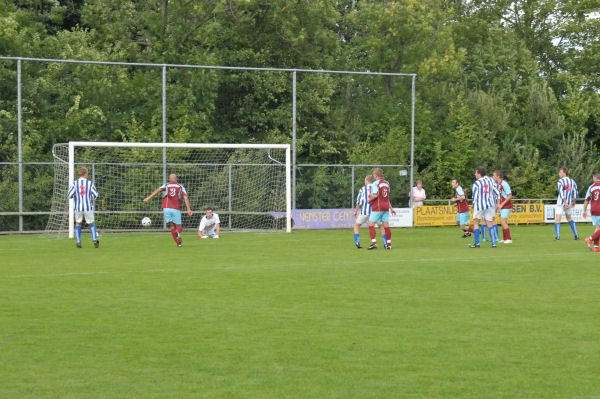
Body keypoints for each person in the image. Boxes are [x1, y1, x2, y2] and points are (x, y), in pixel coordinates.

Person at [143, 173, 193, 247]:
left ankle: (179, 244)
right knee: (179, 227)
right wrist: (188, 209)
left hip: (166, 208)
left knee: (172, 226)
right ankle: (177, 232)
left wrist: (148, 198)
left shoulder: (166, 185)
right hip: (176, 208)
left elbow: (158, 190)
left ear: (169, 179)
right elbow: (185, 197)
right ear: (177, 179)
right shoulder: (180, 186)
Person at [353, 175, 392, 249]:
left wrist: (356, 211)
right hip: (376, 210)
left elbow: (359, 202)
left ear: (367, 180)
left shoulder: (363, 189)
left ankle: (357, 242)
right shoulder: (376, 186)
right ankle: (385, 243)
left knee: (357, 225)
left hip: (365, 212)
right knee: (381, 226)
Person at [67, 166, 99, 248]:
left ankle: (78, 241)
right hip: (88, 206)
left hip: (78, 207)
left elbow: (70, 195)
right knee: (91, 223)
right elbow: (95, 195)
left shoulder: (75, 183)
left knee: (78, 223)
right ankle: (94, 239)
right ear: (85, 173)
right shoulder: (90, 183)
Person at [470, 167, 500, 248]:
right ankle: (493, 244)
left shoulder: (476, 183)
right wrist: (498, 204)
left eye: (476, 172)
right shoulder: (490, 180)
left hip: (479, 205)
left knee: (476, 222)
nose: (475, 174)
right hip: (489, 205)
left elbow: (475, 196)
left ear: (479, 173)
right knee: (489, 223)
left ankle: (477, 243)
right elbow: (497, 192)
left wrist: (473, 204)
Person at [367, 168, 396, 250]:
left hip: (378, 207)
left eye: (373, 175)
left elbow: (375, 195)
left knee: (371, 224)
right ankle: (389, 245)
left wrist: (369, 199)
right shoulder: (387, 183)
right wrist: (391, 208)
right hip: (386, 207)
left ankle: (374, 243)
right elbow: (387, 198)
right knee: (386, 226)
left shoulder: (375, 183)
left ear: (375, 175)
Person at [555, 167, 579, 240]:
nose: (559, 174)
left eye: (560, 172)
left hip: (561, 203)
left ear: (564, 173)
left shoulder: (560, 181)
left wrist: (565, 202)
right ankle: (576, 235)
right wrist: (574, 201)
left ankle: (557, 236)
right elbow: (575, 192)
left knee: (557, 219)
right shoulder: (572, 181)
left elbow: (561, 192)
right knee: (569, 218)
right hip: (569, 203)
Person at [493, 170, 513, 244]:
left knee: (503, 221)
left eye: (494, 175)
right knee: (502, 221)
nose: (493, 177)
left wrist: (502, 204)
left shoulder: (504, 184)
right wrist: (498, 205)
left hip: (506, 205)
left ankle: (509, 239)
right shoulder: (497, 184)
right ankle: (505, 239)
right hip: (502, 205)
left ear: (498, 176)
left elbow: (510, 195)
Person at [582, 172, 600, 252]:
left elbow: (586, 200)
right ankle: (590, 239)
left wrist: (584, 211)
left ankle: (596, 247)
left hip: (593, 209)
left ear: (595, 178)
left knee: (598, 228)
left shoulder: (591, 187)